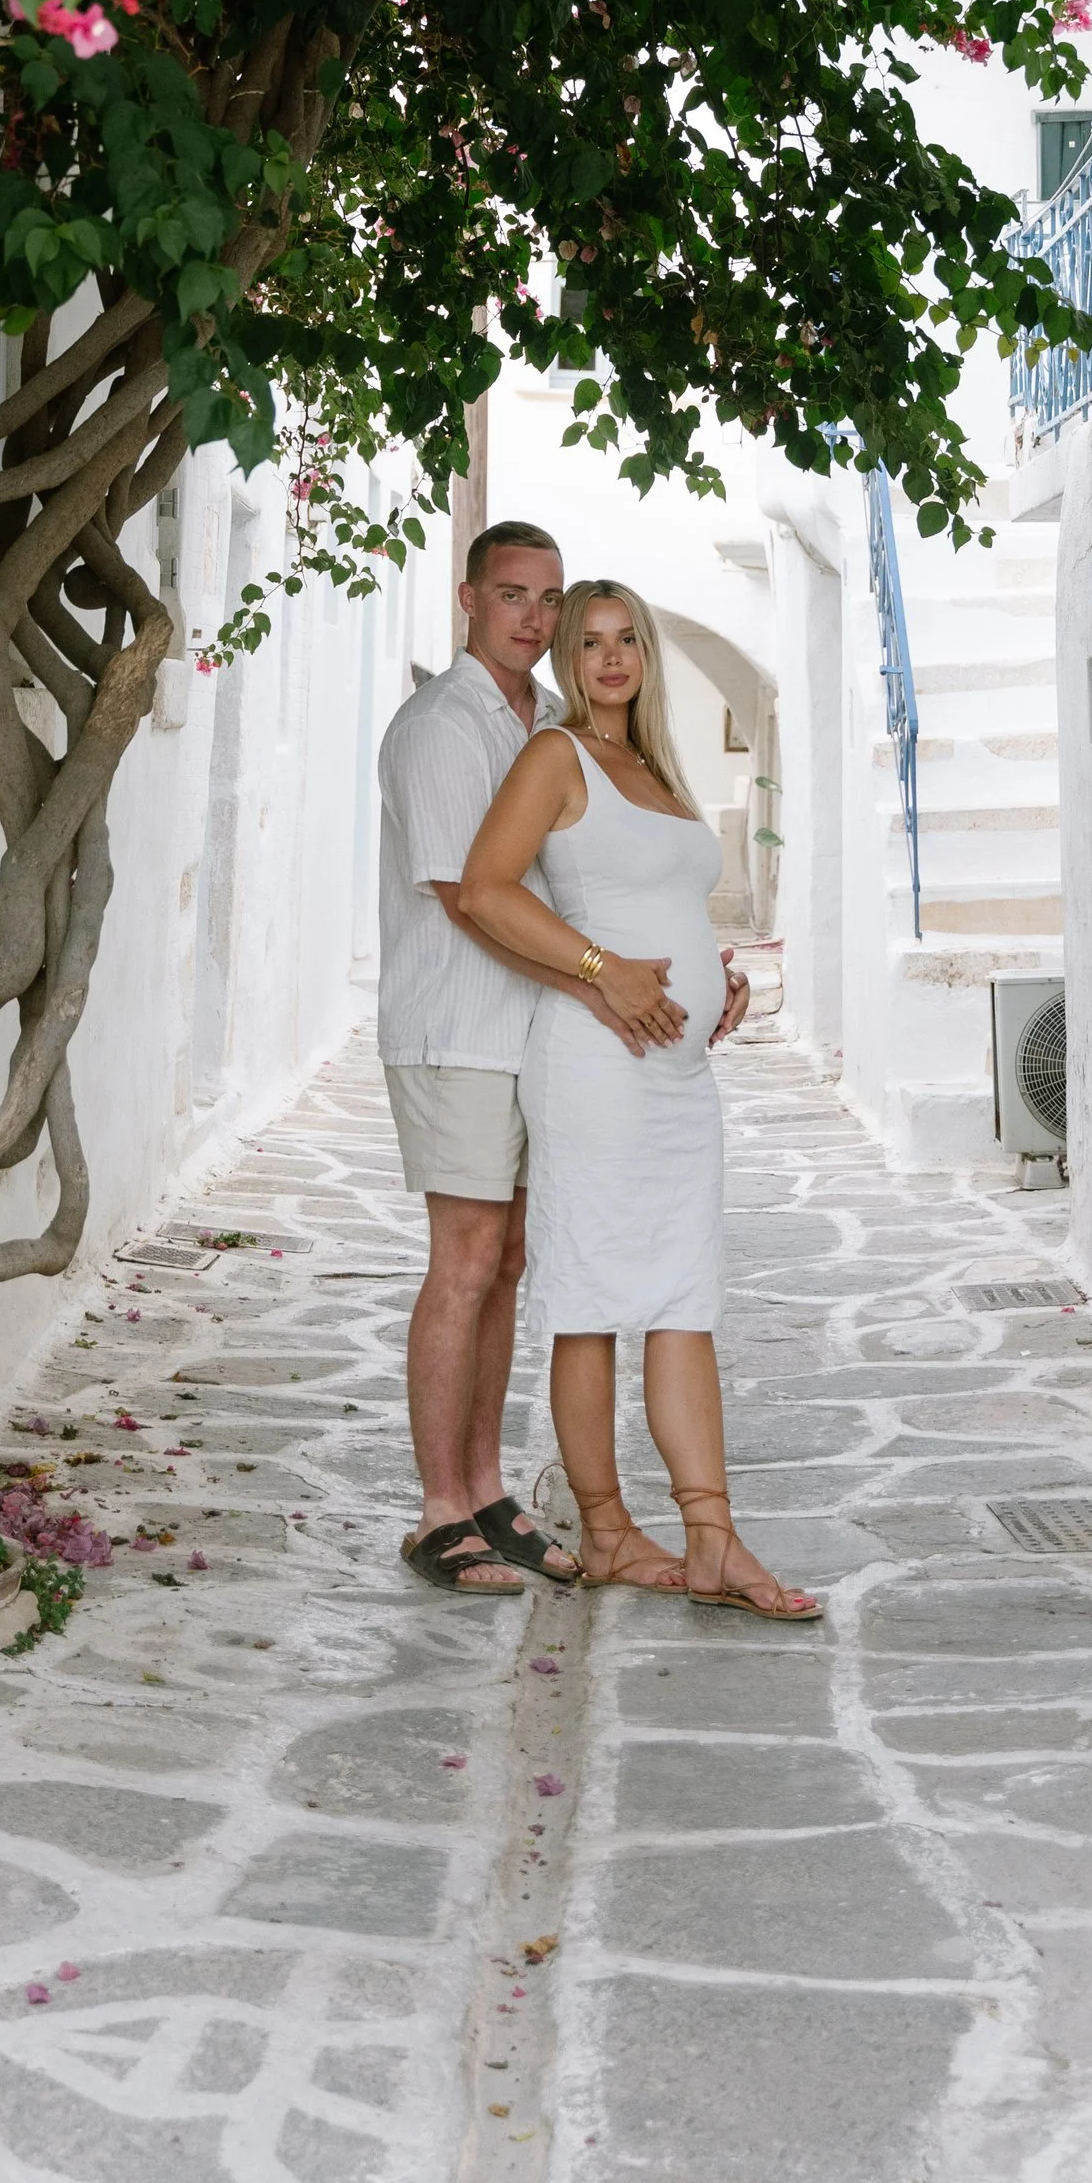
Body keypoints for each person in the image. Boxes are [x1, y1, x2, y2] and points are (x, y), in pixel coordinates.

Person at [460, 578, 821, 1621]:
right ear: (566, 658)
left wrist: (719, 977)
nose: (610, 659)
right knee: (590, 1300)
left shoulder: (657, 769)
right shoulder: (555, 756)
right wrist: (600, 967)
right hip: (593, 1066)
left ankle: (712, 1535)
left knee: (684, 1297)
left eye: (627, 641)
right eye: (589, 642)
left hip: (677, 1073)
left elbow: (657, 894)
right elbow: (486, 888)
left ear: (646, 656)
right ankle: (608, 1528)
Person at [376, 521, 688, 1596]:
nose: (533, 616)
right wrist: (597, 979)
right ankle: (436, 1511)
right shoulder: (437, 726)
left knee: (511, 1262)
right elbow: (467, 896)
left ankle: (486, 1487)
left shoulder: (550, 723)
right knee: (463, 1262)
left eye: (547, 597)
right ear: (468, 597)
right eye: (512, 593)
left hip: (532, 1037)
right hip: (458, 1027)